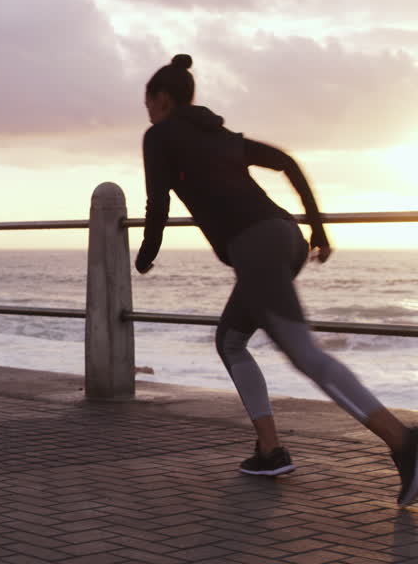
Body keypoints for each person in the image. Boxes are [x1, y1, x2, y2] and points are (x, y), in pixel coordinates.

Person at [135, 53, 417, 507]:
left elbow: (157, 202)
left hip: (257, 246)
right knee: (230, 340)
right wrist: (318, 228)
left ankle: (404, 442)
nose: (145, 112)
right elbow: (286, 161)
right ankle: (270, 450)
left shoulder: (159, 136)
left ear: (163, 100)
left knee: (304, 354)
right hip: (286, 236)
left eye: (147, 103)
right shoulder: (222, 136)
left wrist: (146, 256)